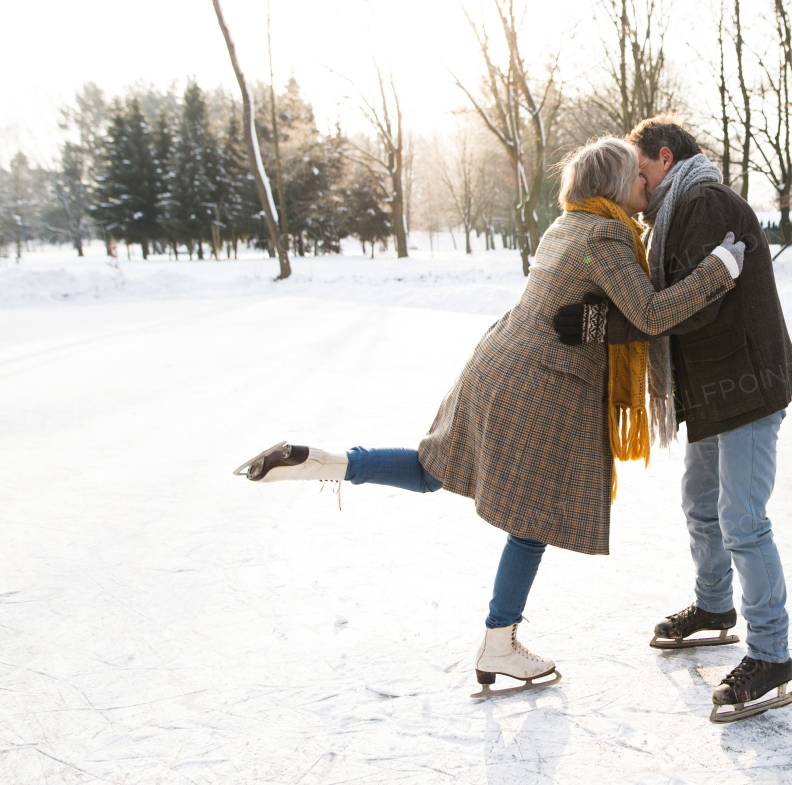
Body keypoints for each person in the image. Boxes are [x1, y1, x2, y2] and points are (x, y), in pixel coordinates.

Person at [234, 136, 746, 696]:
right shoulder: (604, 235)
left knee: (434, 469)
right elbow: (648, 314)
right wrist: (716, 270)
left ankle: (322, 463)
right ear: (614, 185)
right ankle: (499, 643)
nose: (644, 185)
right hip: (539, 382)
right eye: (636, 177)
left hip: (497, 361)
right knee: (533, 517)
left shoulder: (566, 226)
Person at [554, 117, 792, 721]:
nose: (633, 186)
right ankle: (715, 606)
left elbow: (688, 308)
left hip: (745, 385)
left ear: (664, 159)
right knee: (700, 505)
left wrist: (602, 327)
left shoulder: (701, 201)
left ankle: (771, 653)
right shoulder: (673, 210)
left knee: (742, 519)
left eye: (638, 171)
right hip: (715, 391)